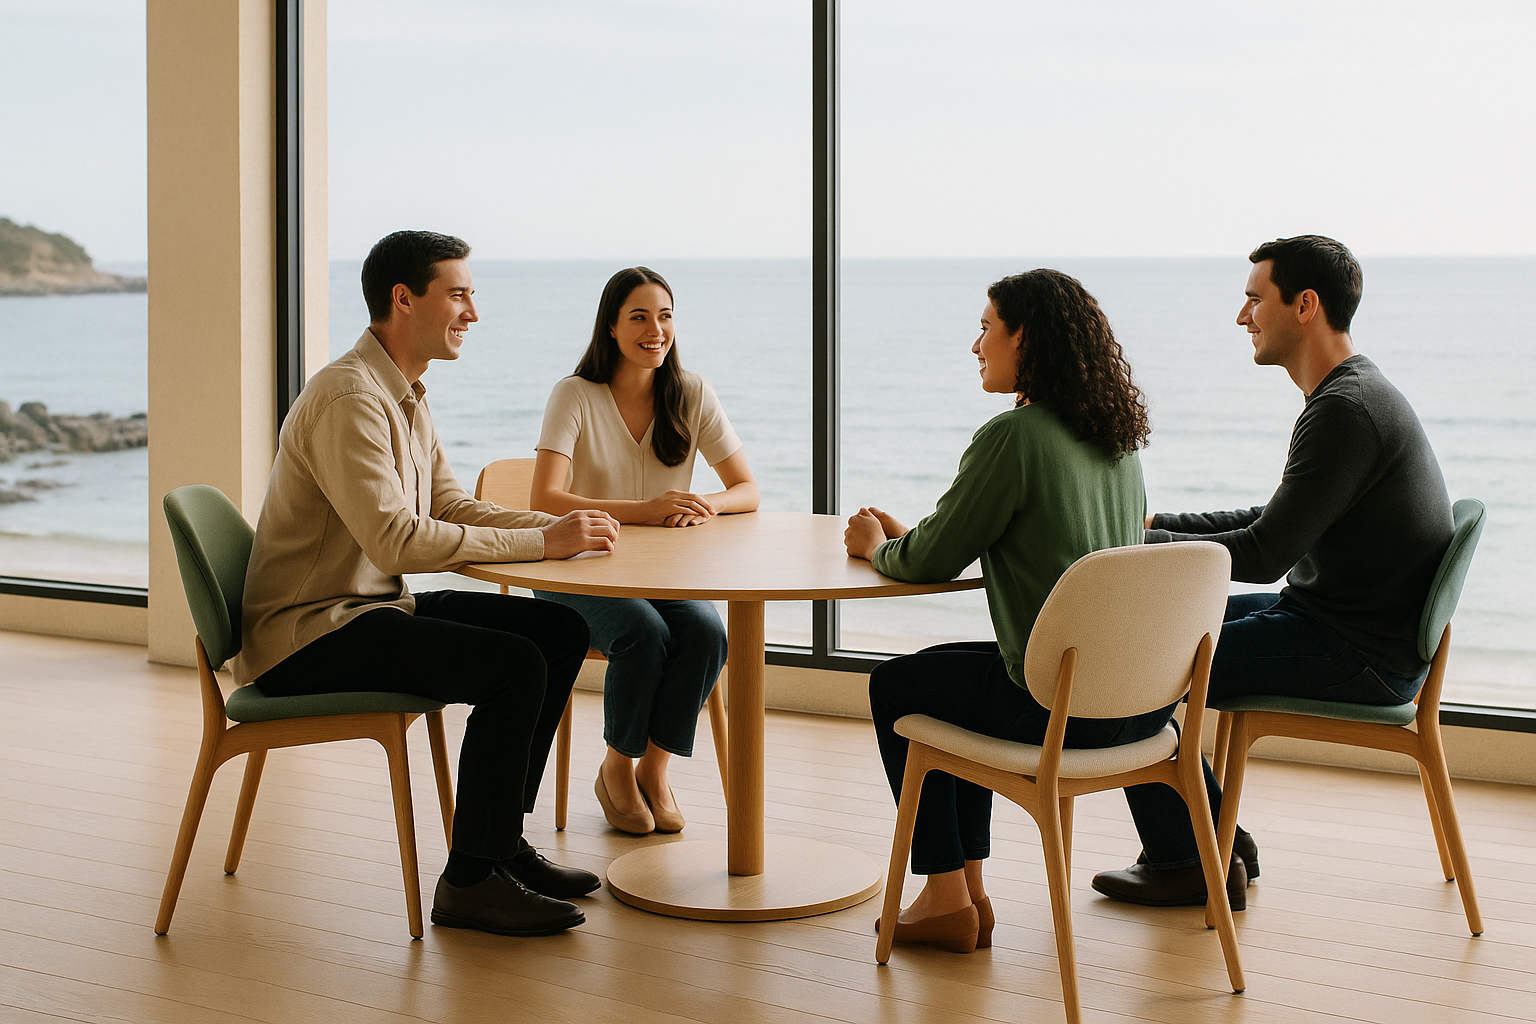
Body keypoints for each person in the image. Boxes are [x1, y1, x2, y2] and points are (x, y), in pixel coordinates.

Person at [234, 230, 622, 937]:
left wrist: (561, 531)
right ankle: (471, 881)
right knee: (514, 665)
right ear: (403, 299)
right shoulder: (351, 399)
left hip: (370, 606)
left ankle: (497, 843)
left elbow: (450, 507)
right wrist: (543, 541)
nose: (473, 311)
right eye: (460, 293)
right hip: (310, 634)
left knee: (559, 629)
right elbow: (397, 539)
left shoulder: (405, 393)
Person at [1091, 235, 1454, 910]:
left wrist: (1145, 545)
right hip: (1338, 624)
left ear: (1305, 304)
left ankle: (1194, 858)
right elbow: (1278, 518)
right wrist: (1157, 527)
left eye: (1255, 299)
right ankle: (1220, 843)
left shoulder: (1345, 410)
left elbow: (1264, 552)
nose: (1242, 317)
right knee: (1148, 643)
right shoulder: (1352, 392)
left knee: (1129, 669)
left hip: (1357, 652)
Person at [845, 269, 1191, 954]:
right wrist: (914, 538)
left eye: (985, 328)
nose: (976, 345)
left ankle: (948, 895)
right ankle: (964, 894)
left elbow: (929, 561)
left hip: (1060, 708)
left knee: (897, 686)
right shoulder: (1117, 444)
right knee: (937, 684)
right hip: (1138, 707)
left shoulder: (1014, 438)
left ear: (1023, 337)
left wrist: (877, 547)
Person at [530, 266, 759, 835]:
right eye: (639, 317)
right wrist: (647, 509)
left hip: (661, 575)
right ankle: (616, 769)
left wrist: (698, 502)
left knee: (708, 632)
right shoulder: (575, 395)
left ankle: (655, 772)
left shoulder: (691, 393)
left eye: (665, 316)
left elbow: (747, 490)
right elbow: (545, 498)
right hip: (576, 571)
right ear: (611, 327)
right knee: (643, 634)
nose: (655, 329)